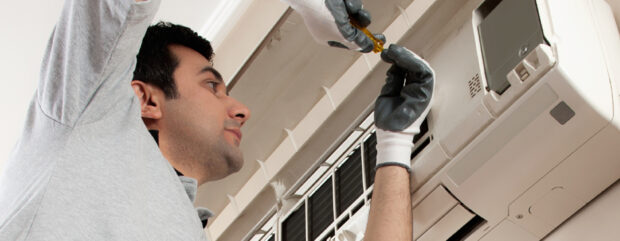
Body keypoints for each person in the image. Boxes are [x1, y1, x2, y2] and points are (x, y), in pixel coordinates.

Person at [0, 0, 433, 240]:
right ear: (145, 99)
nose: (240, 109)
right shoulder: (86, 116)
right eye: (212, 86)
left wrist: (395, 143)